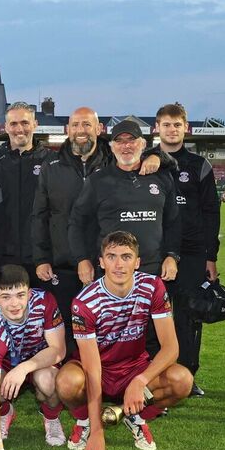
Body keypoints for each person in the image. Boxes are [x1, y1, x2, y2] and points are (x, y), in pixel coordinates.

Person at [33, 107, 166, 353]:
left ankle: (119, 374)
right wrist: (42, 257)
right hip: (65, 260)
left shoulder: (112, 158)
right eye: (75, 125)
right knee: (68, 325)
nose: (80, 130)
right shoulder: (51, 165)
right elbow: (40, 215)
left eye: (86, 125)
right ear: (68, 129)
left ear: (98, 129)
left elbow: (147, 152)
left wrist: (157, 156)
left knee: (110, 327)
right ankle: (75, 378)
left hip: (104, 264)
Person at [56, 231, 192, 450]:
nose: (119, 264)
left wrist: (140, 380)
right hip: (99, 368)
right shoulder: (84, 302)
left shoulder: (152, 287)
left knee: (182, 380)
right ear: (101, 262)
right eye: (111, 257)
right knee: (66, 382)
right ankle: (85, 421)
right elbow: (92, 367)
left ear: (137, 262)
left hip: (134, 368)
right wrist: (98, 431)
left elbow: (171, 348)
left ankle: (134, 416)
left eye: (127, 257)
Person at [154, 103, 220, 397]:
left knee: (188, 314)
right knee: (154, 314)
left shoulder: (198, 165)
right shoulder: (147, 160)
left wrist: (211, 256)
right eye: (166, 125)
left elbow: (210, 211)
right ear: (157, 127)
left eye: (177, 125)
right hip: (155, 252)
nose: (171, 130)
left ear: (186, 128)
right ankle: (156, 372)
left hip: (192, 252)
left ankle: (188, 375)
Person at [0, 264, 68, 450]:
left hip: (40, 361)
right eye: (6, 297)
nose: (14, 303)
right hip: (9, 366)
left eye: (20, 295)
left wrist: (26, 367)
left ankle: (51, 417)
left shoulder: (44, 301)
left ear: (29, 292)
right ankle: (4, 412)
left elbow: (58, 350)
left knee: (49, 381)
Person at [68, 119, 180, 282]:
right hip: (111, 273)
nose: (125, 146)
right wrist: (82, 259)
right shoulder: (97, 181)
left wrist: (172, 256)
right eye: (119, 141)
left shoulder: (161, 177)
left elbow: (173, 222)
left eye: (131, 140)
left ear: (142, 144)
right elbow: (77, 223)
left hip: (154, 272)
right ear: (112, 147)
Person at [0, 102, 54, 281]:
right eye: (13, 124)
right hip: (2, 258)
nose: (19, 128)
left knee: (44, 309)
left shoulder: (53, 161)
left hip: (42, 260)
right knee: (8, 309)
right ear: (5, 127)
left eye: (25, 123)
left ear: (35, 124)